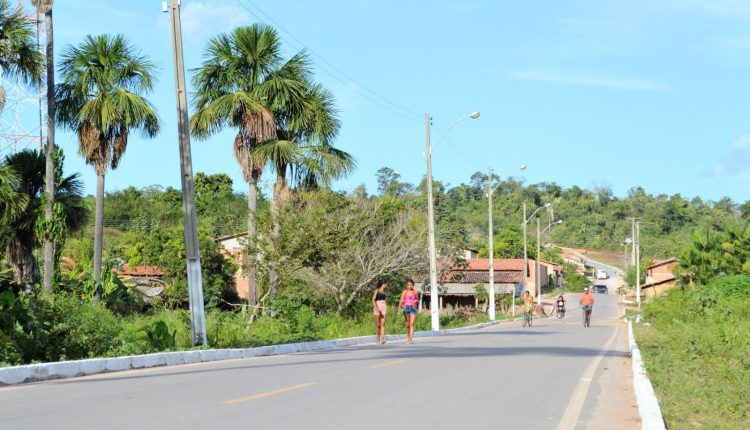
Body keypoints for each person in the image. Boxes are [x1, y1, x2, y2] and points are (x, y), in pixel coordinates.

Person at [399, 279, 418, 344]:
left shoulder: (415, 292)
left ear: (413, 285)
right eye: (408, 285)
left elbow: (417, 300)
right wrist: (399, 308)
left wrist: (415, 301)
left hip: (413, 308)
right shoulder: (404, 292)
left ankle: (410, 339)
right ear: (406, 286)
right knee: (407, 324)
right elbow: (401, 300)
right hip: (406, 308)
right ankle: (408, 337)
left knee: (412, 323)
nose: (410, 286)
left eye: (411, 285)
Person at [372, 280, 388, 344]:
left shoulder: (384, 292)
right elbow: (373, 300)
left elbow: (385, 300)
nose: (387, 285)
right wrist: (376, 307)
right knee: (378, 325)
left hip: (383, 307)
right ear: (383, 284)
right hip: (377, 307)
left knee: (383, 324)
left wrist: (386, 305)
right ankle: (378, 339)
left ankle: (382, 339)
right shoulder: (377, 290)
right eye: (386, 284)